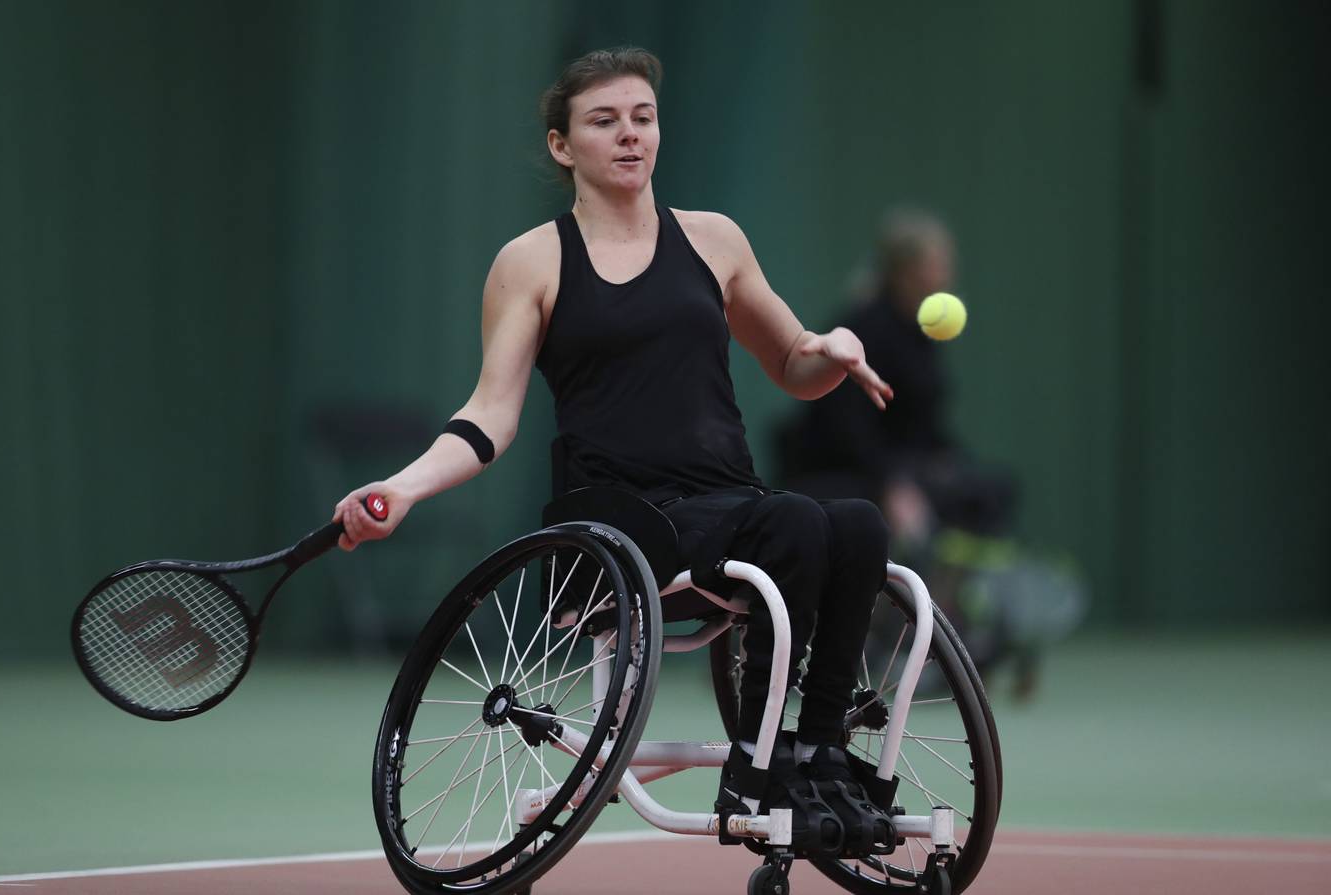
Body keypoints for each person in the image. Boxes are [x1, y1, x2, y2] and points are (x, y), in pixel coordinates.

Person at [332, 47, 896, 857]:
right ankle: (756, 765)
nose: (630, 135)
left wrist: (833, 347)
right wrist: (404, 487)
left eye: (643, 117)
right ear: (564, 145)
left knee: (861, 526)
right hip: (619, 524)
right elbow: (489, 416)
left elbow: (793, 365)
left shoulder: (715, 241)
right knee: (801, 524)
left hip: (728, 504)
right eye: (604, 121)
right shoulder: (531, 261)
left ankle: (817, 752)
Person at [781, 208, 1017, 554]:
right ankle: (896, 600)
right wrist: (891, 485)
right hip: (845, 472)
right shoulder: (865, 328)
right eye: (937, 264)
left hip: (905, 468)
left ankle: (951, 602)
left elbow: (923, 425)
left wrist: (948, 460)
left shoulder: (922, 333)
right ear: (906, 271)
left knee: (993, 490)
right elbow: (846, 427)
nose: (946, 275)